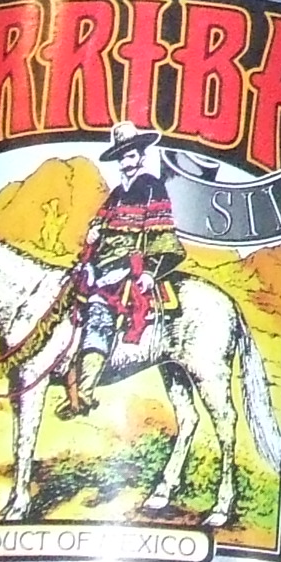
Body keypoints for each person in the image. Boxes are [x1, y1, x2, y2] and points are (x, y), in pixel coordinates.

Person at [60, 126, 187, 418]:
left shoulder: (152, 187)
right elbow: (101, 223)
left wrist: (150, 272)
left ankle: (84, 392)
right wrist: (94, 232)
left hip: (127, 268)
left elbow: (162, 233)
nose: (126, 162)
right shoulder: (117, 193)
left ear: (141, 156)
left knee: (99, 310)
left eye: (130, 155)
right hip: (100, 264)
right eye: (121, 157)